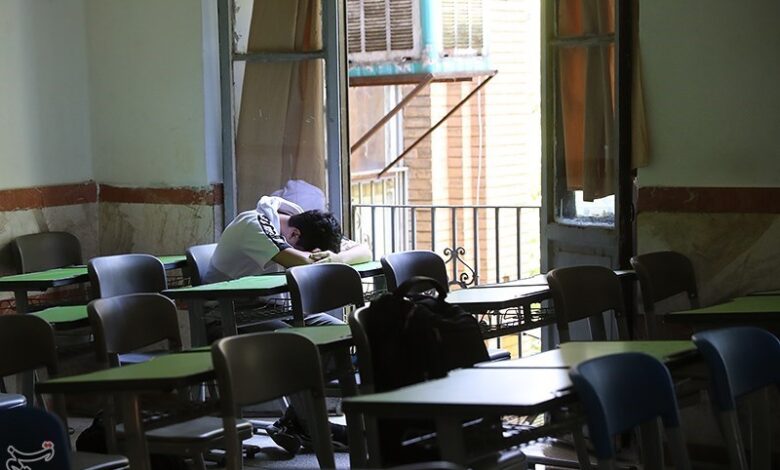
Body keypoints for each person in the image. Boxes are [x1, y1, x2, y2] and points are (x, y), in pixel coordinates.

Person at [205, 195, 371, 454]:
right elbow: (304, 262)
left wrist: (336, 259)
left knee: (345, 334)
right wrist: (325, 258)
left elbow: (364, 250)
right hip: (227, 316)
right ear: (294, 235)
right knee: (298, 347)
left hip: (274, 311)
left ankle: (297, 421)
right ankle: (312, 427)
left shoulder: (302, 223)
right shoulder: (253, 224)